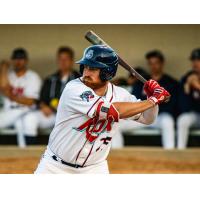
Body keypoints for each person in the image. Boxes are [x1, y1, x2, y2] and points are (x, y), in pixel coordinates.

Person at [35, 45, 170, 174]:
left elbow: (148, 118)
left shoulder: (120, 94)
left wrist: (152, 100)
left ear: (107, 72)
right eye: (85, 67)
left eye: (93, 68)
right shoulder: (74, 88)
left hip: (94, 169)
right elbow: (109, 111)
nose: (86, 73)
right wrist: (152, 100)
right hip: (56, 167)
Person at [117, 51, 178, 149]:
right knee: (116, 125)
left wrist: (158, 102)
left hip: (160, 117)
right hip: (141, 116)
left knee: (168, 121)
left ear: (162, 63)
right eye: (151, 63)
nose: (154, 66)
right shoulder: (142, 81)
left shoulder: (170, 82)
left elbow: (173, 104)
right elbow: (133, 99)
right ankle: (118, 156)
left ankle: (170, 154)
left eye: (156, 63)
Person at [20, 46, 80, 140]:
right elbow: (41, 99)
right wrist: (43, 106)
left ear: (72, 61)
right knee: (30, 118)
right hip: (51, 114)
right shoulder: (50, 79)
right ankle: (30, 153)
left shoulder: (79, 79)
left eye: (66, 59)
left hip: (70, 116)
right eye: (60, 59)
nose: (63, 62)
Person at [0, 48, 42, 147]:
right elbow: (3, 88)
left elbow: (30, 102)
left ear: (26, 60)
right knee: (19, 122)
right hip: (8, 113)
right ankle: (26, 154)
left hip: (26, 111)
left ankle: (26, 155)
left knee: (26, 122)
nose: (18, 61)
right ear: (12, 60)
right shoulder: (8, 75)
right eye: (15, 59)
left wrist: (10, 95)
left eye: (21, 59)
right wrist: (4, 69)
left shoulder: (33, 77)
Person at [177, 48, 200, 149]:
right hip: (195, 116)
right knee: (183, 120)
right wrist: (187, 88)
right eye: (193, 60)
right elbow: (183, 107)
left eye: (198, 60)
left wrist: (197, 86)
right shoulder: (187, 77)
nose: (195, 63)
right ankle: (180, 153)